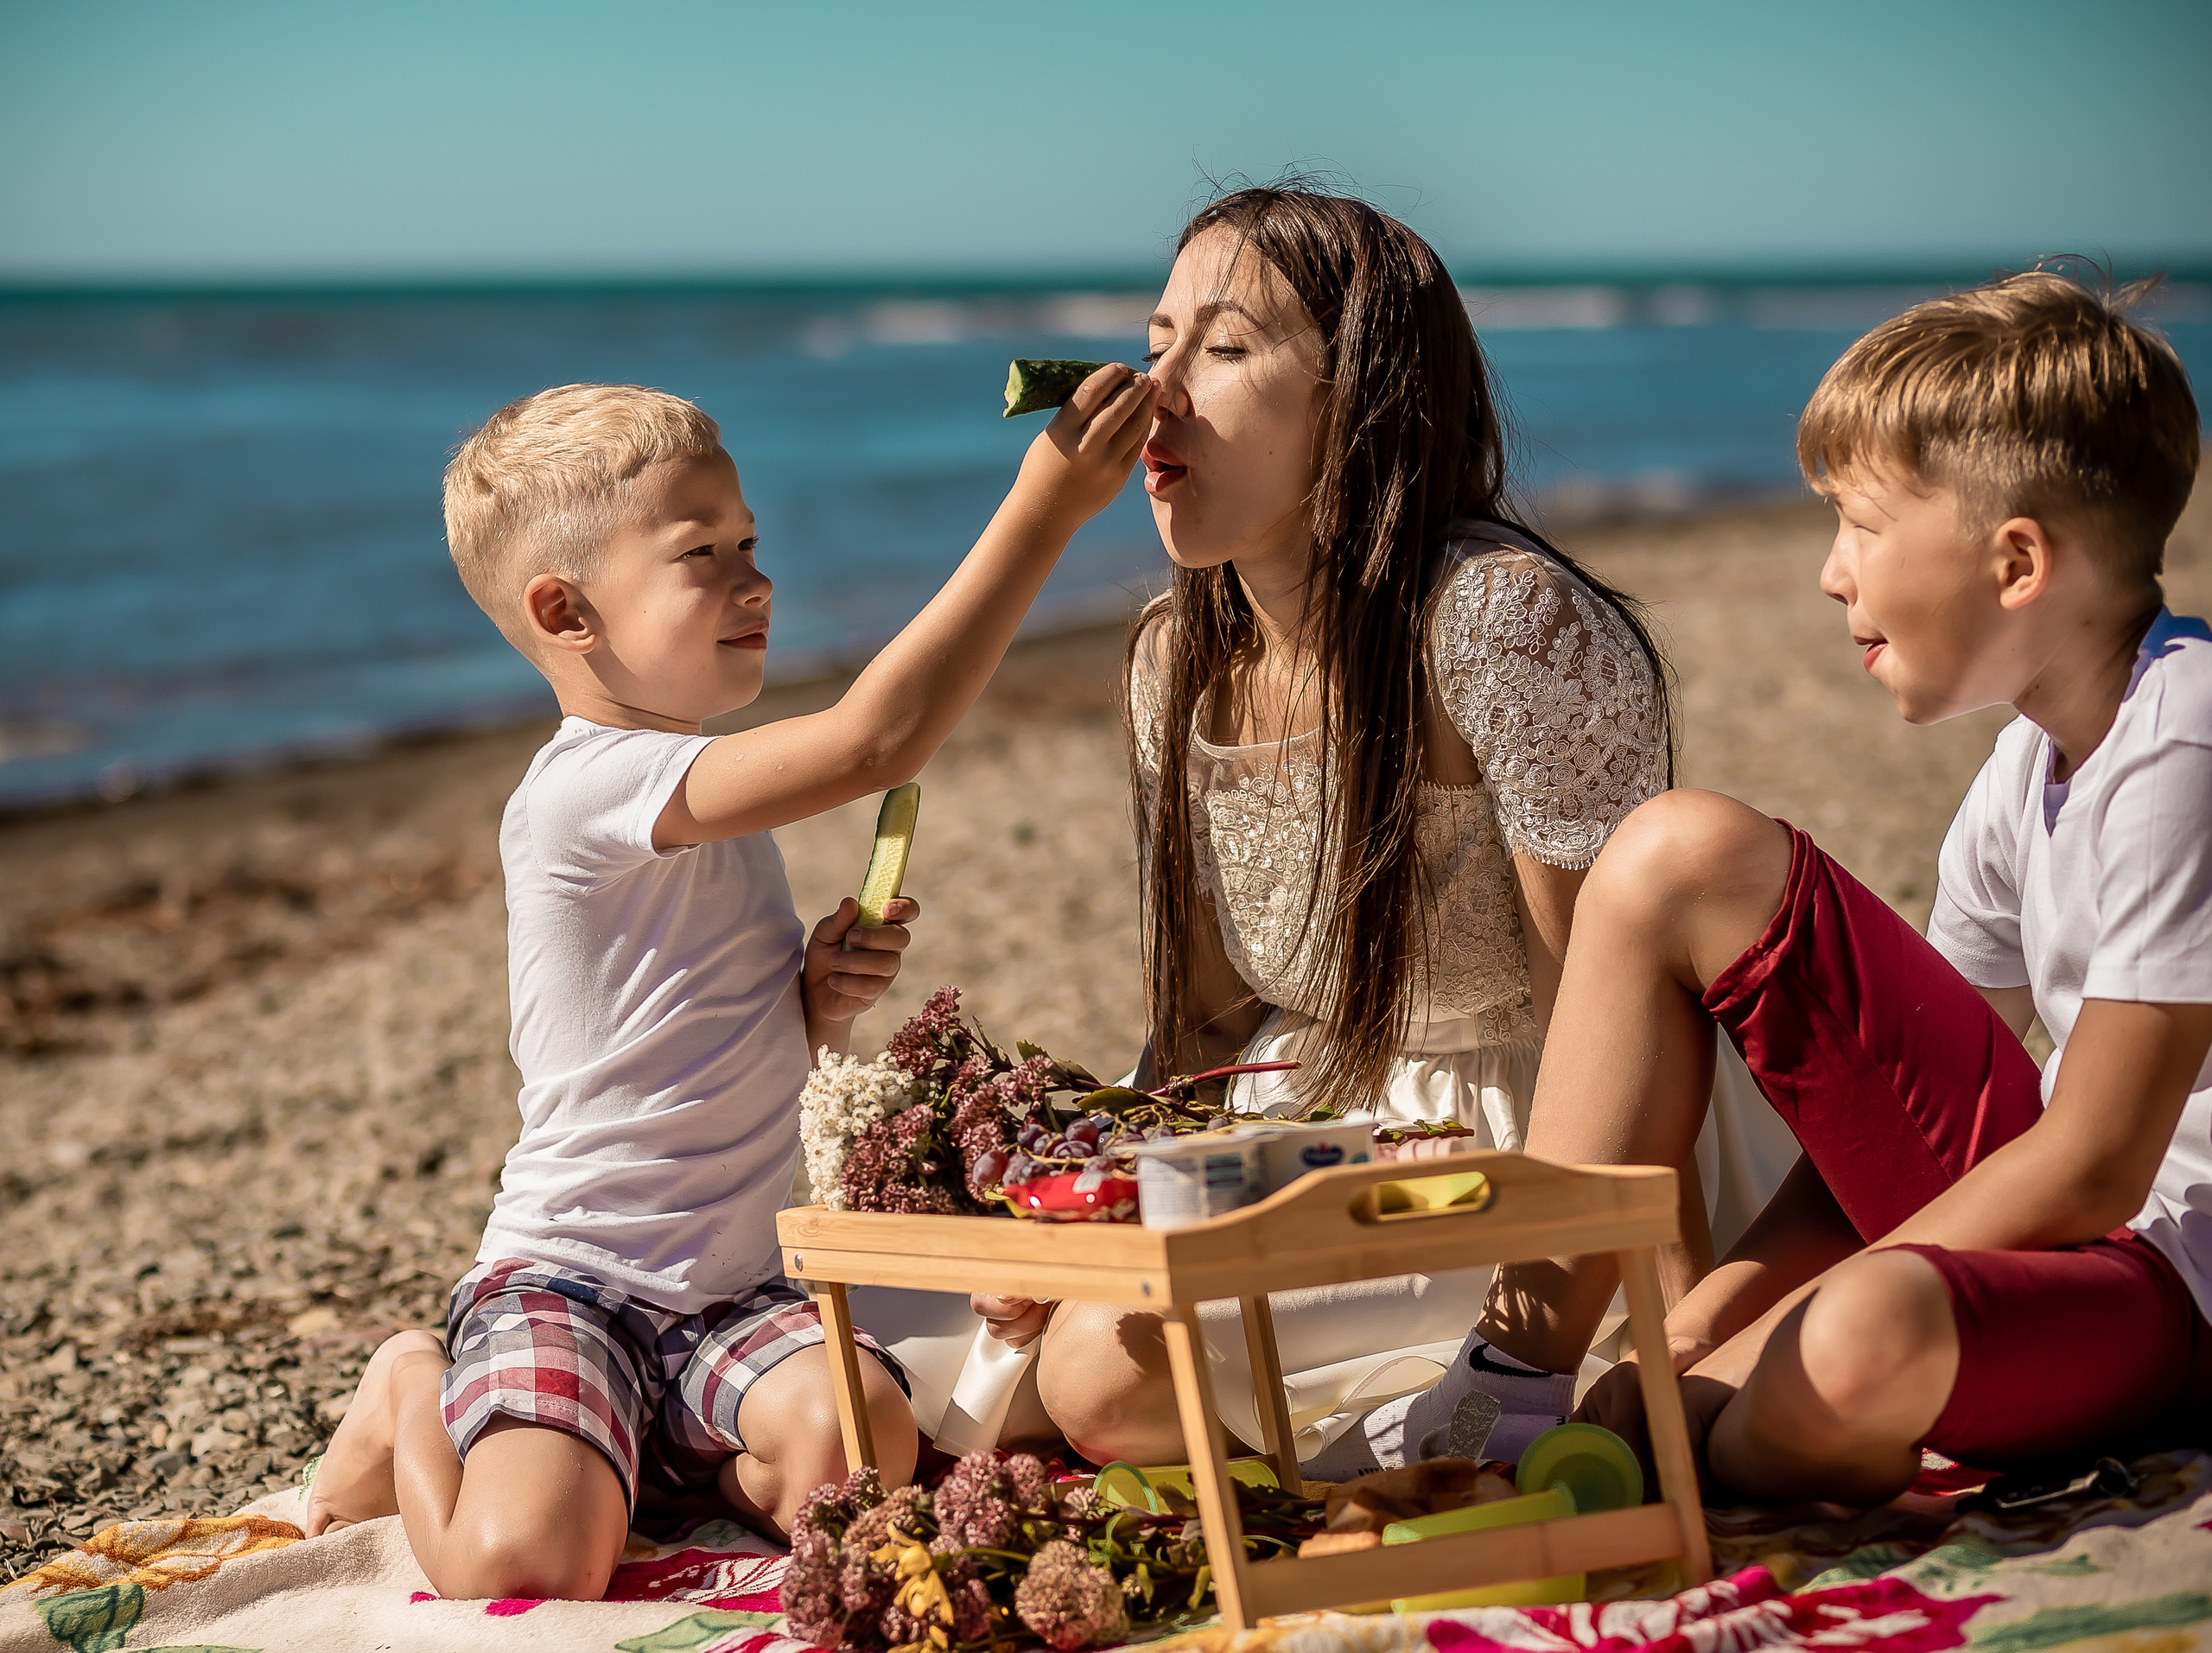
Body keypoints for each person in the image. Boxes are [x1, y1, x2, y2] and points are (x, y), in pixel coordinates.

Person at [920, 187, 1796, 1475]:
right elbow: (1209, 1026)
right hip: (1302, 1122)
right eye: (1154, 341)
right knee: (978, 1345)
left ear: (1365, 398)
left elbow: (1617, 1014)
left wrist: (1666, 1324)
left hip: (1532, 1132)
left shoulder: (1497, 623)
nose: (1154, 392)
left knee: (1105, 1373)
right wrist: (1100, 1205)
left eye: (1220, 350)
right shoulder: (1175, 658)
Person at [299, 372, 1157, 1598]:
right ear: (566, 611)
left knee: (861, 1442)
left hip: (729, 1294)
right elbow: (876, 741)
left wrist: (814, 1003)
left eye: (749, 541)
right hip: (574, 1275)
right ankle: (408, 1385)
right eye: (702, 553)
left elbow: (685, 1038)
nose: (755, 579)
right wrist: (1048, 506)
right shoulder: (584, 790)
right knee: (525, 1566)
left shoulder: (694, 790)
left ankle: (631, 1454)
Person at [1423, 270, 2210, 1499]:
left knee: (1850, 1341)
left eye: (1863, 524)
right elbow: (1890, 1127)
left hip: (2175, 1286)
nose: (1833, 574)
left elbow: (2101, 1162)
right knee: (1674, 853)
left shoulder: (2184, 743)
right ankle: (1514, 1376)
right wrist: (1702, 1329)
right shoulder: (2026, 765)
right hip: (2063, 1244)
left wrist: (1765, 1343)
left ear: (2016, 563)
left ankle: (1745, 1428)